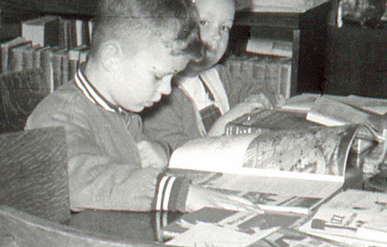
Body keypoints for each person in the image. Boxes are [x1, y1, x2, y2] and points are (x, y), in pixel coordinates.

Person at [25, 0, 255, 212]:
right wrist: (176, 194)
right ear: (111, 58)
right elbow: (77, 180)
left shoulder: (121, 108)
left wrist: (162, 153)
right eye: (157, 76)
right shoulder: (60, 115)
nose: (166, 90)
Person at [142, 0, 276, 150]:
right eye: (204, 22)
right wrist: (229, 120)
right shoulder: (162, 95)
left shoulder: (216, 76)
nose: (216, 36)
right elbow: (179, 156)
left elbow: (258, 89)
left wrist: (258, 101)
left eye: (224, 27)